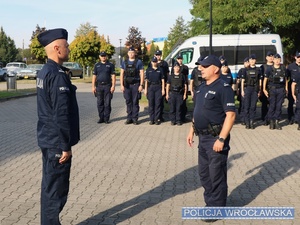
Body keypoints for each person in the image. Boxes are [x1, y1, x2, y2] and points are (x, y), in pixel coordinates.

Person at [36, 28, 80, 225]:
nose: (68, 48)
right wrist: (65, 145)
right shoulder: (57, 75)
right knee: (56, 192)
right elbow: (60, 114)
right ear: (56, 47)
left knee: (49, 188)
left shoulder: (45, 71)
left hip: (47, 139)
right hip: (56, 143)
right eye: (66, 45)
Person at [186, 55, 235, 218]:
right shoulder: (200, 87)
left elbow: (230, 115)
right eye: (200, 66)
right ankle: (210, 204)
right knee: (204, 174)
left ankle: (217, 209)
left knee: (216, 175)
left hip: (216, 138)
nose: (201, 68)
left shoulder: (224, 87)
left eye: (205, 66)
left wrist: (221, 138)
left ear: (215, 68)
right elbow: (197, 111)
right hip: (203, 138)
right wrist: (191, 130)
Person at [120, 47, 144, 125]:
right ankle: (129, 118)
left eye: (132, 52)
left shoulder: (139, 62)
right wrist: (121, 85)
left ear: (135, 53)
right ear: (128, 53)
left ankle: (135, 118)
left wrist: (141, 85)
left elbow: (142, 73)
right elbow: (121, 74)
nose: (131, 54)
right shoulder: (124, 62)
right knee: (128, 101)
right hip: (127, 85)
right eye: (129, 52)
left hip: (135, 85)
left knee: (135, 102)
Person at [263, 54, 287, 130]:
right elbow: (265, 79)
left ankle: (277, 121)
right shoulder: (269, 69)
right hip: (272, 89)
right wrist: (264, 89)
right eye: (275, 59)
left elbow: (285, 79)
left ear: (280, 60)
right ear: (273, 60)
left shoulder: (283, 68)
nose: (277, 61)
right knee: (272, 106)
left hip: (280, 89)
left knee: (279, 106)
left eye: (278, 59)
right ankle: (271, 122)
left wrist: (286, 88)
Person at [92, 51, 116, 124]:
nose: (103, 57)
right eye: (102, 56)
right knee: (100, 103)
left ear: (106, 56)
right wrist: (93, 86)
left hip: (107, 86)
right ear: (99, 57)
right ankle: (101, 118)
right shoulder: (97, 65)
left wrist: (113, 86)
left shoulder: (110, 65)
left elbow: (113, 76)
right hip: (99, 86)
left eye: (104, 56)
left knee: (107, 103)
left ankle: (106, 118)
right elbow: (94, 76)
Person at [241, 54, 262, 129]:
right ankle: (247, 122)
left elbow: (260, 81)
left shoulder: (258, 70)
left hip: (255, 89)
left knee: (253, 107)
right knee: (246, 106)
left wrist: (259, 90)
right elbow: (242, 81)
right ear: (249, 61)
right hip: (247, 89)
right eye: (251, 59)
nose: (252, 61)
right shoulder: (245, 70)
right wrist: (242, 90)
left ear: (256, 60)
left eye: (254, 59)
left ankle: (251, 122)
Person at [145, 56, 165, 125]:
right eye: (153, 62)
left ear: (157, 62)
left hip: (158, 87)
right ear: (151, 62)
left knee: (158, 104)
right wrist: (145, 90)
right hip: (150, 87)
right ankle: (151, 119)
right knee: (151, 103)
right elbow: (146, 81)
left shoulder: (160, 70)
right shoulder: (148, 70)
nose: (154, 63)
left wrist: (163, 89)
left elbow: (162, 80)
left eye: (155, 61)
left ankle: (156, 119)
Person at [172, 54, 189, 122]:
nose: (180, 60)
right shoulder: (175, 67)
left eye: (181, 59)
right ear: (177, 60)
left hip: (183, 86)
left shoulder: (185, 67)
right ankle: (176, 118)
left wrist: (186, 85)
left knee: (183, 104)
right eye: (178, 59)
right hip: (176, 88)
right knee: (177, 104)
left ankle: (183, 117)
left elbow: (186, 76)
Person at [154, 50, 169, 122]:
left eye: (159, 55)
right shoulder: (152, 63)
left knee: (161, 102)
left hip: (162, 84)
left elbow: (167, 74)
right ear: (154, 55)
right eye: (156, 55)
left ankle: (161, 116)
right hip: (154, 84)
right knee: (154, 101)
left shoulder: (164, 63)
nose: (158, 56)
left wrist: (167, 83)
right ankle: (155, 116)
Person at [260, 51, 274, 125]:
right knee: (264, 104)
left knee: (272, 104)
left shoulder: (276, 66)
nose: (271, 57)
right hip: (265, 88)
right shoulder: (263, 67)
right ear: (266, 57)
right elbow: (260, 79)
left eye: (272, 56)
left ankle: (271, 118)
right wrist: (262, 89)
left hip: (273, 88)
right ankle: (264, 118)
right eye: (269, 56)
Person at [287, 51, 300, 125]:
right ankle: (290, 118)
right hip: (292, 87)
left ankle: (297, 118)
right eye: (298, 57)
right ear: (295, 57)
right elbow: (287, 78)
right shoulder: (290, 66)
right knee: (291, 103)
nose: (299, 59)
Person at [236, 57, 250, 125]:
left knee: (248, 105)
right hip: (243, 89)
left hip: (249, 88)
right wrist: (238, 89)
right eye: (246, 62)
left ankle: (247, 118)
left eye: (248, 62)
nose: (247, 64)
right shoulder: (241, 70)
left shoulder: (251, 70)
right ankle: (242, 119)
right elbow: (238, 80)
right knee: (242, 104)